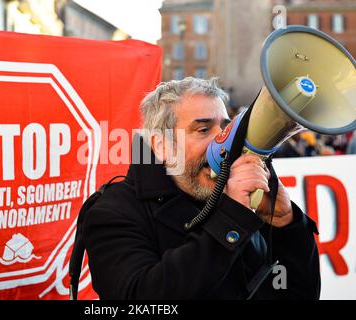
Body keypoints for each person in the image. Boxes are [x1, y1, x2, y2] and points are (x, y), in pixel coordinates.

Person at [82, 77, 320, 299]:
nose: (223, 142)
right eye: (204, 130)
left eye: (225, 129)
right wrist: (231, 219)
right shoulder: (113, 212)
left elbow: (297, 293)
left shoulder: (238, 201)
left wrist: (286, 225)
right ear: (162, 145)